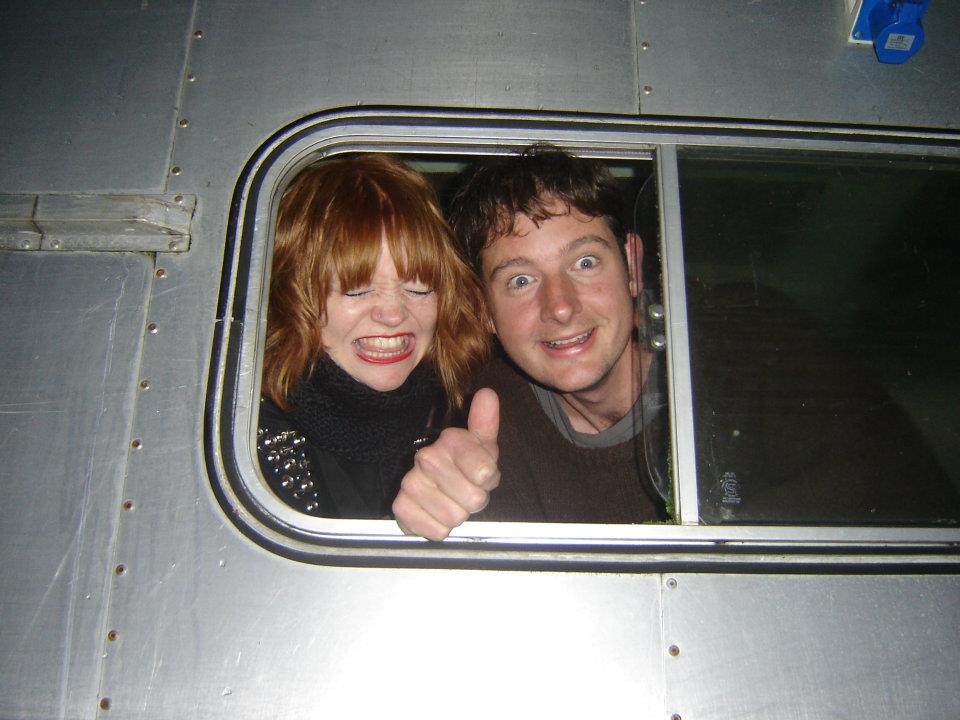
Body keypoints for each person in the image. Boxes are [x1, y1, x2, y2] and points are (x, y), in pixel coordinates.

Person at [392, 145, 668, 538]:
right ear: (485, 309)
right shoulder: (484, 420)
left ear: (632, 268)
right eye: (521, 280)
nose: (560, 307)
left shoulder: (729, 378)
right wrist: (430, 517)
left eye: (585, 262)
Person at [257, 154, 498, 521]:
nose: (393, 314)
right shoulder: (243, 444)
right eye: (356, 289)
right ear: (291, 297)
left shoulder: (458, 415)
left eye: (418, 287)